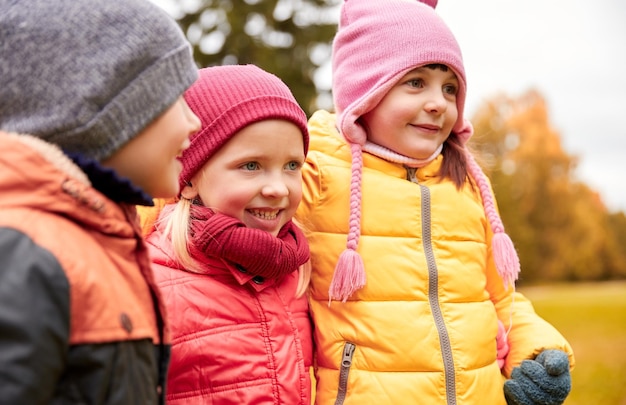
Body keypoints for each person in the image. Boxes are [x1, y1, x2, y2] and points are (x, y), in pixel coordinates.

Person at [294, 0, 575, 404]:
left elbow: (499, 300)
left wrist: (534, 349)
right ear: (365, 89)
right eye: (415, 82)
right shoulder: (313, 174)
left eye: (449, 88)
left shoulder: (465, 183)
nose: (439, 103)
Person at [0, 0, 201, 403]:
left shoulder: (103, 239)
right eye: (175, 98)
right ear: (103, 108)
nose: (193, 122)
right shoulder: (25, 254)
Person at [140, 65, 314, 405]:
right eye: (251, 165)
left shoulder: (300, 272)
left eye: (292, 165)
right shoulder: (151, 283)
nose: (278, 188)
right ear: (187, 180)